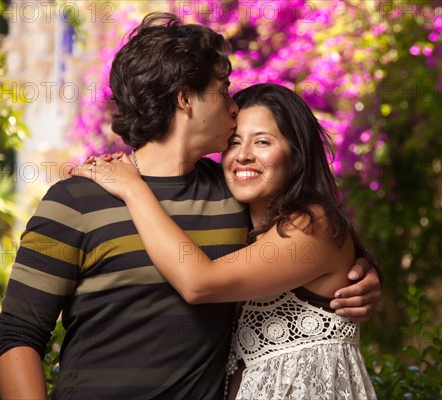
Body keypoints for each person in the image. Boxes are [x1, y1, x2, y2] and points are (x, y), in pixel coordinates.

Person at [0, 13, 381, 399]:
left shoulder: (237, 197)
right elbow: (18, 335)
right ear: (185, 98)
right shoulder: (76, 200)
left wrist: (359, 274)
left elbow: (303, 247)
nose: (233, 106)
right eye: (224, 89)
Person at [71, 83, 380, 399]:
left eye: (262, 142)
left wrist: (133, 189)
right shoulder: (237, 229)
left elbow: (199, 283)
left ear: (296, 155)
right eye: (234, 142)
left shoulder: (312, 224)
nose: (243, 156)